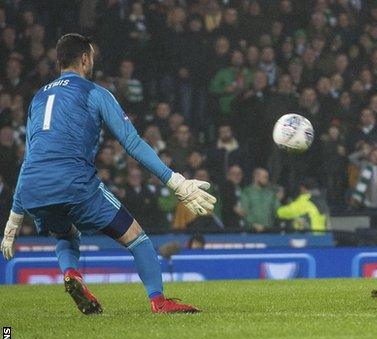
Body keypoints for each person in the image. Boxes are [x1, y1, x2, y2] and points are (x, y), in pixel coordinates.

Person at [0, 34, 216, 314]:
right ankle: (158, 300)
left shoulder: (38, 99)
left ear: (58, 61)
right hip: (75, 183)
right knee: (138, 239)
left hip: (34, 188)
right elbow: (132, 142)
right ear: (86, 59)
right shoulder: (95, 93)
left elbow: (31, 159)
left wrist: (13, 221)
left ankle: (72, 274)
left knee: (66, 235)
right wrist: (175, 181)